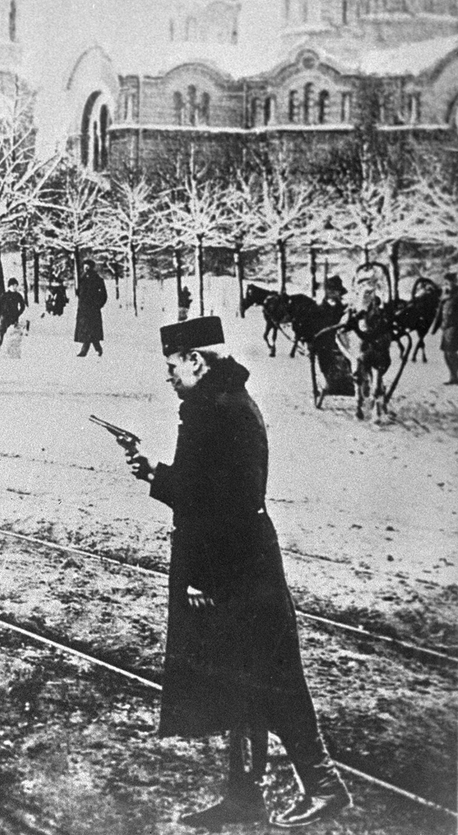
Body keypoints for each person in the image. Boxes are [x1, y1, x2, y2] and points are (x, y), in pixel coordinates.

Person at [121, 316, 351, 829]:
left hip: (238, 568)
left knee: (274, 676)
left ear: (197, 362)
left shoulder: (221, 412)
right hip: (238, 562)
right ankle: (245, 794)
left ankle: (325, 786)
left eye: (173, 365)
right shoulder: (217, 405)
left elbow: (230, 501)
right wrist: (156, 474)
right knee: (239, 678)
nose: (169, 375)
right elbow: (204, 488)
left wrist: (204, 576)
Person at [309, 276, 353, 397]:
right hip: (325, 339)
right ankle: (328, 381)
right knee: (325, 356)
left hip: (342, 339)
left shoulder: (344, 308)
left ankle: (350, 380)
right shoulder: (320, 307)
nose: (334, 293)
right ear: (327, 292)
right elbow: (314, 324)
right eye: (331, 290)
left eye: (336, 290)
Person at [75, 261, 107, 356]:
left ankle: (85, 350)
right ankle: (97, 348)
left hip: (92, 309)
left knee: (90, 329)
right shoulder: (81, 279)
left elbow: (103, 295)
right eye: (85, 267)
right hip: (84, 309)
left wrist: (97, 305)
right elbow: (79, 293)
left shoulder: (96, 279)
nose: (86, 269)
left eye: (87, 267)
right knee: (89, 330)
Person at [433, 271, 458, 385]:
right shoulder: (445, 296)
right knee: (446, 354)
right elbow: (440, 313)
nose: (446, 284)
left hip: (454, 328)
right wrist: (435, 327)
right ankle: (453, 377)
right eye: (445, 283)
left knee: (450, 353)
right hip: (446, 328)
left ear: (454, 282)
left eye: (448, 282)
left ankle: (454, 377)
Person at [0, 278, 27, 351]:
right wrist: (1, 314)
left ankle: (11, 350)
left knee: (13, 334)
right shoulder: (5, 295)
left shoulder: (18, 295)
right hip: (5, 318)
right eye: (14, 285)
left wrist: (18, 314)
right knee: (2, 332)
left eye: (16, 285)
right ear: (9, 286)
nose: (15, 287)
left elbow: (23, 306)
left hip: (14, 318)